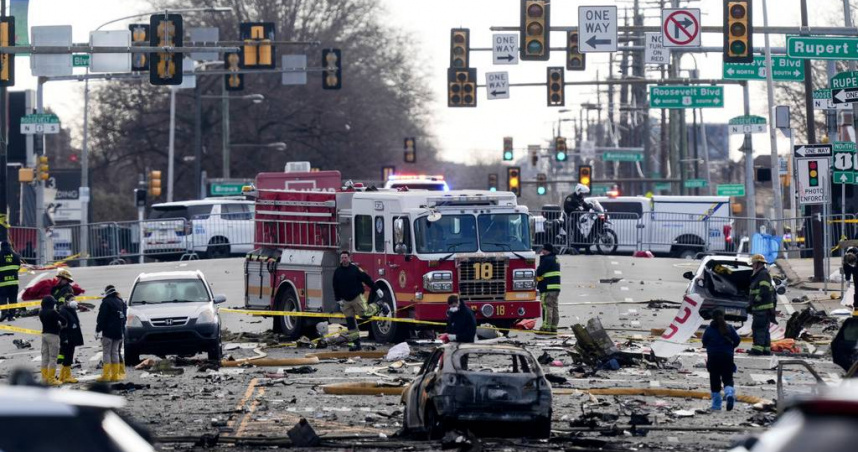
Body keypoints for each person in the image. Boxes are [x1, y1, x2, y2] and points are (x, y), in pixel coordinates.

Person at [333, 251, 383, 351]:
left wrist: (376, 288)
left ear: (349, 258)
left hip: (357, 297)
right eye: (342, 258)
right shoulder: (337, 271)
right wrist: (338, 299)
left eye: (345, 257)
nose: (344, 260)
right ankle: (356, 344)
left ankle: (379, 305)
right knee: (350, 323)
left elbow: (366, 279)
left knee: (365, 314)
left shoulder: (355, 269)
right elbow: (335, 286)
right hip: (345, 301)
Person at [702, 309, 740, 411]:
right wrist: (730, 347)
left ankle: (716, 405)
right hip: (727, 357)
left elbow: (704, 342)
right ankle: (729, 394)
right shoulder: (730, 328)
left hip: (713, 357)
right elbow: (737, 340)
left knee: (714, 380)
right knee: (728, 378)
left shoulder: (709, 329)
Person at [96, 285, 127, 382]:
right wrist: (122, 330)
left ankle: (106, 375)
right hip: (118, 332)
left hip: (108, 332)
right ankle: (115, 375)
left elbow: (101, 318)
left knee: (106, 353)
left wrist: (98, 330)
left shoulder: (106, 302)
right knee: (115, 352)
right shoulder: (121, 302)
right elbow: (124, 317)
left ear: (107, 292)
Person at [749, 254, 776, 356]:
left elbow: (764, 290)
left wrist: (756, 300)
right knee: (764, 329)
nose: (752, 266)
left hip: (761, 308)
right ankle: (766, 349)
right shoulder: (760, 274)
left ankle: (757, 349)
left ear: (758, 264)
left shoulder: (763, 274)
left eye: (753, 264)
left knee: (758, 328)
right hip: (763, 308)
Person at [39, 296, 66, 386]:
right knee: (53, 358)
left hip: (44, 335)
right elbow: (63, 321)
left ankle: (44, 379)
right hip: (53, 336)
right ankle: (51, 379)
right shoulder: (53, 312)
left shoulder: (41, 312)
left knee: (45, 358)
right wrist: (60, 326)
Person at [57, 296, 84, 384]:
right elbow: (62, 326)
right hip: (68, 338)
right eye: (72, 300)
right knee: (68, 357)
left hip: (72, 337)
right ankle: (66, 376)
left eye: (74, 300)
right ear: (66, 301)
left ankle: (63, 376)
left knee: (69, 357)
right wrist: (64, 338)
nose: (74, 301)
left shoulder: (71, 310)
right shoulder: (64, 311)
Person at [536, 243, 561, 333]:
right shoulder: (555, 259)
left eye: (543, 249)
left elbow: (539, 272)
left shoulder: (547, 259)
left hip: (548, 287)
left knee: (547, 307)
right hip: (556, 288)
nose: (542, 251)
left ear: (547, 250)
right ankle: (554, 327)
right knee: (554, 307)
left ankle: (546, 327)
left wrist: (536, 276)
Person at [563, 184, 594, 249]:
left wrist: (590, 206)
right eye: (582, 193)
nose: (583, 194)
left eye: (583, 193)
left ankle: (584, 248)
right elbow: (566, 207)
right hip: (570, 218)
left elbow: (585, 206)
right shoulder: (570, 198)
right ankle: (575, 248)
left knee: (583, 233)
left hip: (578, 219)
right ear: (578, 191)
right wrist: (575, 209)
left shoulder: (580, 198)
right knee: (577, 233)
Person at [0, 241, 21, 322]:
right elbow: (18, 267)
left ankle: (4, 313)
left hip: (2, 283)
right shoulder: (16, 255)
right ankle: (11, 315)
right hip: (14, 282)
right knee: (13, 298)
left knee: (3, 298)